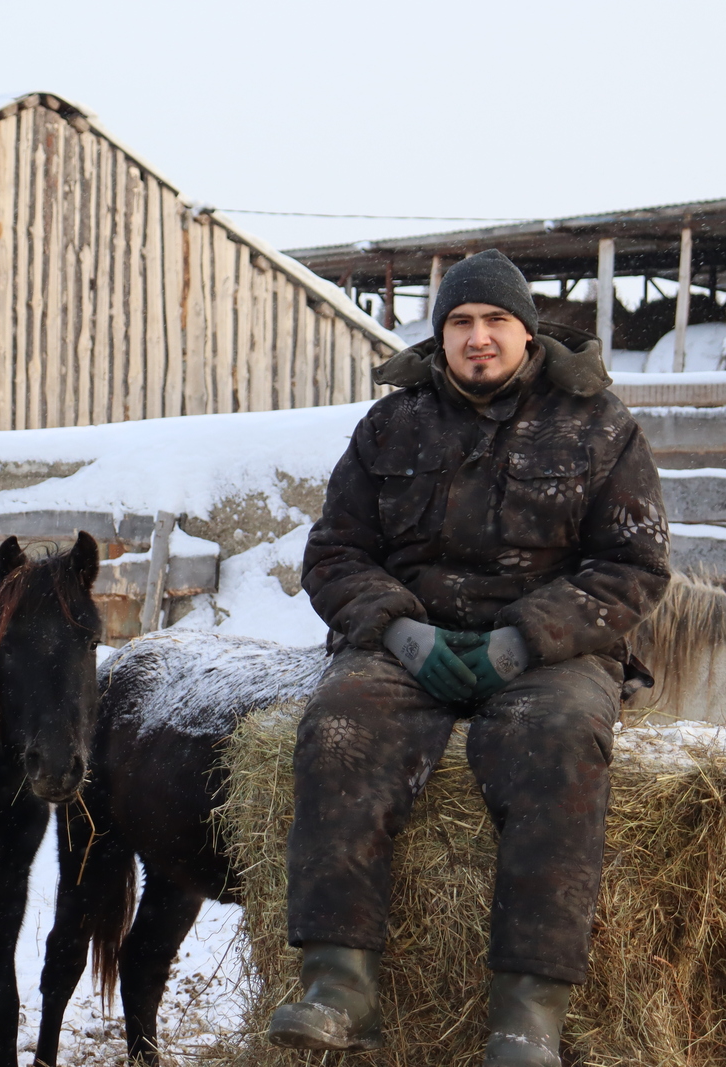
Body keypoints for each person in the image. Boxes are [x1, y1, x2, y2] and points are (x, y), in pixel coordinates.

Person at [267, 250, 671, 1067]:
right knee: (338, 729)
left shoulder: (597, 425)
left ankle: (527, 1014)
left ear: (527, 331)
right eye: (459, 323)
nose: (477, 338)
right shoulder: (390, 425)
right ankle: (339, 986)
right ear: (441, 335)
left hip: (551, 652)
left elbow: (633, 567)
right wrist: (400, 631)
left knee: (560, 746)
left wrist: (526, 639)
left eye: (494, 321)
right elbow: (335, 551)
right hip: (411, 643)